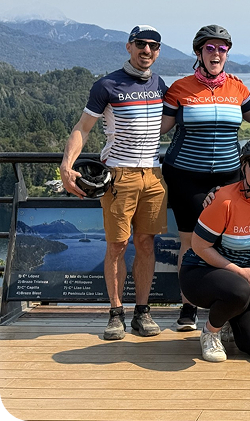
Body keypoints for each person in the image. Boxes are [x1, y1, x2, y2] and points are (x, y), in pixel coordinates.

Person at [59, 25, 168, 340]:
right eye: (141, 44)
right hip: (119, 175)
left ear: (158, 51)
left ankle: (142, 313)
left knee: (147, 244)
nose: (147, 50)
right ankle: (116, 312)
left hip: (154, 175)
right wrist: (66, 166)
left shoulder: (161, 84)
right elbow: (83, 127)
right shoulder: (106, 85)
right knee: (117, 245)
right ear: (129, 47)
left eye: (153, 46)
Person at [162, 25, 250, 332]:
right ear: (199, 53)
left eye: (222, 49)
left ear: (227, 53)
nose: (216, 54)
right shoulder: (180, 88)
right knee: (192, 243)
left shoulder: (238, 88)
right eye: (210, 48)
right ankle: (188, 305)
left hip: (230, 176)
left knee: (227, 243)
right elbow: (158, 129)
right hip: (186, 176)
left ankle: (226, 304)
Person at [180, 138, 250, 362]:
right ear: (243, 167)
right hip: (200, 273)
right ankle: (210, 332)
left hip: (244, 278)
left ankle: (229, 315)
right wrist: (239, 271)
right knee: (239, 290)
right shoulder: (224, 200)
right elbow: (198, 246)